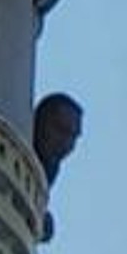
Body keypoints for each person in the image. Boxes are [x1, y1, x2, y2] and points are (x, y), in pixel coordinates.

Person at [32, 91, 83, 239]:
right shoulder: (19, 139)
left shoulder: (50, 167)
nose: (66, 143)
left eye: (73, 137)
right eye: (60, 130)